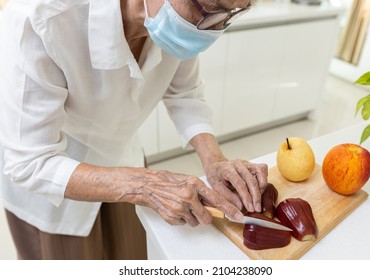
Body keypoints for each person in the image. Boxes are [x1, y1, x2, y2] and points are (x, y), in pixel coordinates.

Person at [0, 0, 268, 260]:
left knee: (131, 255)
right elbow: (30, 161)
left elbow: (184, 93)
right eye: (210, 9)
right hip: (54, 184)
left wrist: (215, 161)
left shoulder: (175, 25)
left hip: (122, 156)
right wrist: (142, 185)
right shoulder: (39, 18)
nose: (213, 29)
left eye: (231, 12)